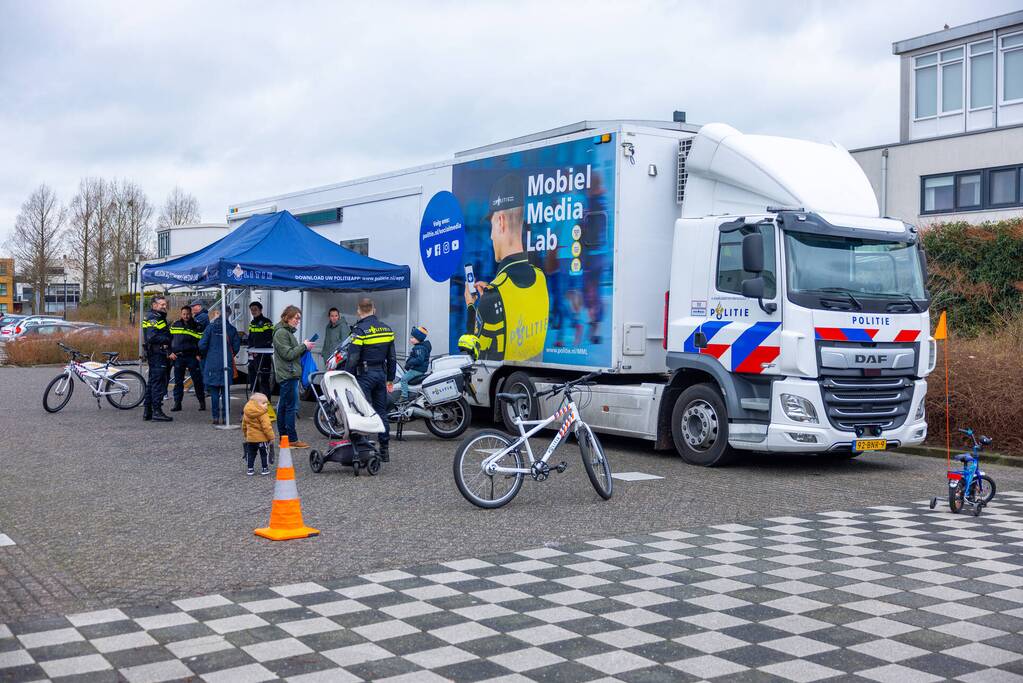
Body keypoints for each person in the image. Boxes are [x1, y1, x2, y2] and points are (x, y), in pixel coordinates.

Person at [464, 173, 549, 362]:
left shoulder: (493, 297)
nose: (491, 236)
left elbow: (473, 356)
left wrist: (471, 306)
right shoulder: (541, 278)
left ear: (500, 222)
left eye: (491, 226)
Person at [345, 298, 396, 461]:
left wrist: (347, 376)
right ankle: (384, 450)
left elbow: (353, 358)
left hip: (364, 376)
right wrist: (390, 379)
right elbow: (392, 358)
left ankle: (365, 451)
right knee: (381, 412)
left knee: (363, 412)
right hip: (381, 374)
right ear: (374, 309)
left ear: (359, 311)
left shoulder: (359, 330)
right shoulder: (387, 329)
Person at [273, 305, 314, 448]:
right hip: (288, 374)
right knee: (289, 408)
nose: (298, 321)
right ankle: (292, 439)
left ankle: (284, 438)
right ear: (288, 317)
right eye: (296, 318)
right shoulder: (281, 333)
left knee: (284, 407)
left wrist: (305, 347)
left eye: (299, 318)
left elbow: (291, 354)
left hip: (288, 373)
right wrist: (303, 346)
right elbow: (288, 354)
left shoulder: (285, 332)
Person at [198, 307, 241, 426]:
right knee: (226, 392)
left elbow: (201, 345)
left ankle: (215, 417)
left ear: (218, 314)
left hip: (212, 362)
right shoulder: (231, 329)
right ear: (229, 314)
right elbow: (236, 347)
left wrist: (209, 353)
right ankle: (226, 417)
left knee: (214, 392)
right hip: (226, 362)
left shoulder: (210, 327)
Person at [142, 295, 174, 422]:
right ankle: (157, 411)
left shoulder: (158, 317)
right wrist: (168, 338)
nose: (164, 306)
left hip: (157, 354)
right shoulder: (153, 318)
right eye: (162, 305)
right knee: (158, 383)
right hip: (157, 355)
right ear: (154, 305)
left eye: (165, 304)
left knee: (152, 383)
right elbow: (152, 337)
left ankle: (148, 411)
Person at [169, 305, 206, 412]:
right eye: (184, 314)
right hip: (179, 357)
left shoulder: (197, 326)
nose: (186, 316)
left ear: (191, 314)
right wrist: (170, 352)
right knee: (178, 382)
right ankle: (177, 404)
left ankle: (201, 402)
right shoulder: (175, 325)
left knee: (197, 380)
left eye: (188, 314)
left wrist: (200, 354)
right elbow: (169, 339)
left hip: (192, 357)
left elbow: (202, 342)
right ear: (181, 314)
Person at [246, 301, 274, 397]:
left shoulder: (267, 322)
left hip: (264, 356)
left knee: (264, 380)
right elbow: (250, 338)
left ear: (260, 310)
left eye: (255, 309)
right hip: (254, 355)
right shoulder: (252, 323)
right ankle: (255, 401)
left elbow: (269, 338)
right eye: (252, 310)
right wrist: (251, 350)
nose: (253, 311)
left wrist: (257, 350)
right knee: (252, 377)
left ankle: (267, 404)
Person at [242, 392, 275, 476]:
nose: (266, 405)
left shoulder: (246, 413)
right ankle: (265, 468)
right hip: (262, 439)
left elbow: (244, 426)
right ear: (257, 404)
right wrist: (271, 437)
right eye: (264, 403)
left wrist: (246, 435)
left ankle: (250, 469)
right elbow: (267, 427)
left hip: (251, 439)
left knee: (251, 454)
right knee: (264, 454)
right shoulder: (262, 414)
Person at [399, 326, 431, 401]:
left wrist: (409, 363)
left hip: (417, 370)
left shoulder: (419, 348)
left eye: (413, 337)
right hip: (419, 369)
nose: (411, 339)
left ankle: (404, 396)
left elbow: (419, 360)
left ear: (418, 339)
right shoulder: (420, 347)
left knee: (403, 379)